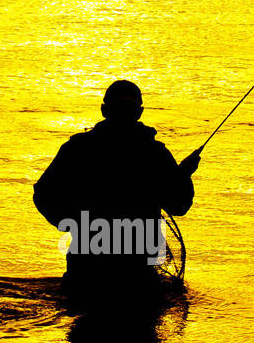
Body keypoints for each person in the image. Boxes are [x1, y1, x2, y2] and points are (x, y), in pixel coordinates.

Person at [33, 80, 200, 301]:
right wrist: (183, 175)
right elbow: (179, 205)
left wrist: (71, 223)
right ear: (139, 113)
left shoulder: (77, 148)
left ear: (104, 110)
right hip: (138, 275)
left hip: (86, 270)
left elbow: (43, 194)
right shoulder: (155, 153)